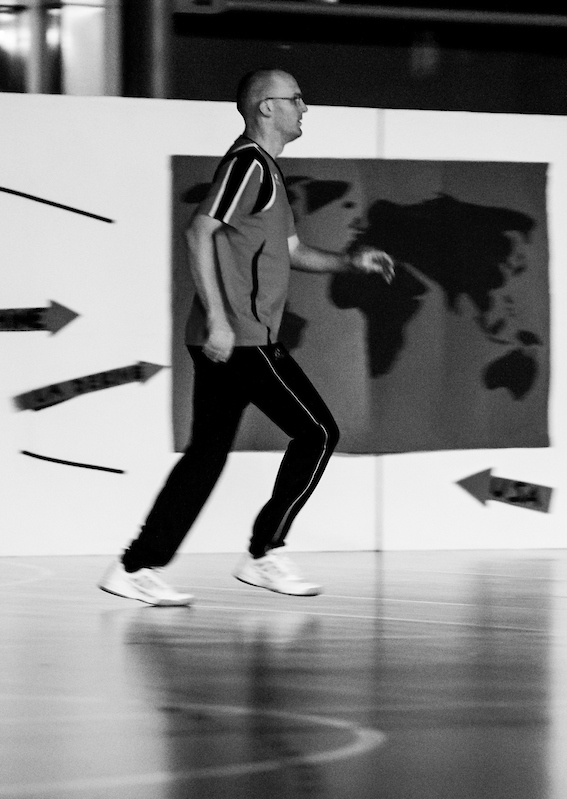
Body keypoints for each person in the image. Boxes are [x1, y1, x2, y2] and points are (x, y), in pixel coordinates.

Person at [99, 69, 394, 606]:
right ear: (266, 107)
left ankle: (135, 567)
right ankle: (264, 552)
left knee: (206, 456)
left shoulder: (268, 173)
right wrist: (218, 317)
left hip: (233, 338)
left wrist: (351, 262)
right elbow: (199, 231)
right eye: (296, 99)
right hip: (242, 338)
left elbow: (294, 251)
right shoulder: (248, 165)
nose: (305, 108)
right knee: (318, 433)